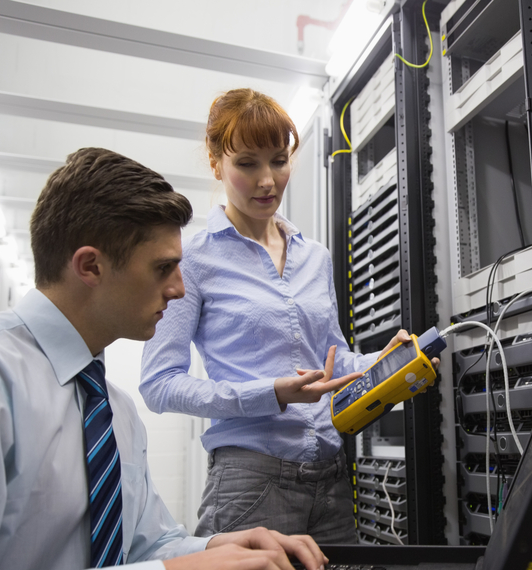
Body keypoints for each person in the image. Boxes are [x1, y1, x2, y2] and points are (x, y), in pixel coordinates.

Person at [0, 147, 329, 570]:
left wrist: (216, 551)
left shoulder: (113, 408)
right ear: (90, 266)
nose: (180, 290)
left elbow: (143, 547)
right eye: (163, 268)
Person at [140, 89, 438, 543]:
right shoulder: (193, 260)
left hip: (332, 477)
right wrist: (270, 394)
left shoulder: (314, 257)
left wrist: (383, 362)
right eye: (247, 164)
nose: (267, 181)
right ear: (216, 161)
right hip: (251, 484)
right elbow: (159, 384)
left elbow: (331, 361)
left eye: (279, 161)